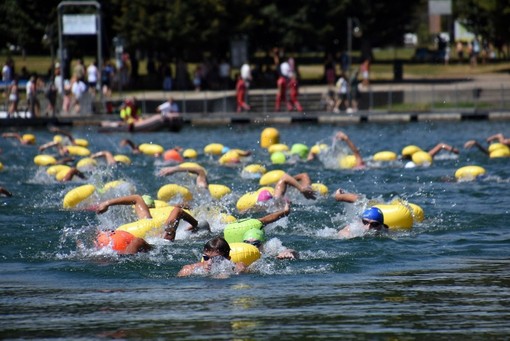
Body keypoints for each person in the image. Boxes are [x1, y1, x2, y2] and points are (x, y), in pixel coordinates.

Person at [177, 236, 247, 277]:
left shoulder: (235, 267)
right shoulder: (191, 269)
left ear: (227, 259)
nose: (209, 263)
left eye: (216, 259)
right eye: (206, 258)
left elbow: (241, 267)